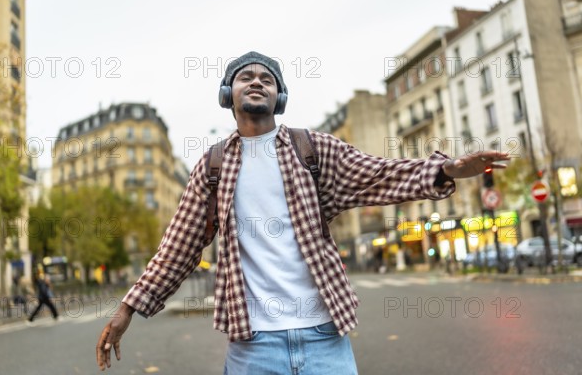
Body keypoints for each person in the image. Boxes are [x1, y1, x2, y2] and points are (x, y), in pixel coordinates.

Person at [96, 51, 509, 373]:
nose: (257, 82)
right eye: (246, 77)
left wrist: (445, 168)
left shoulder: (312, 149)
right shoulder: (214, 164)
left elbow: (378, 175)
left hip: (324, 337)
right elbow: (178, 247)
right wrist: (128, 307)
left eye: (267, 78)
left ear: (280, 96)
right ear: (228, 94)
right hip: (252, 345)